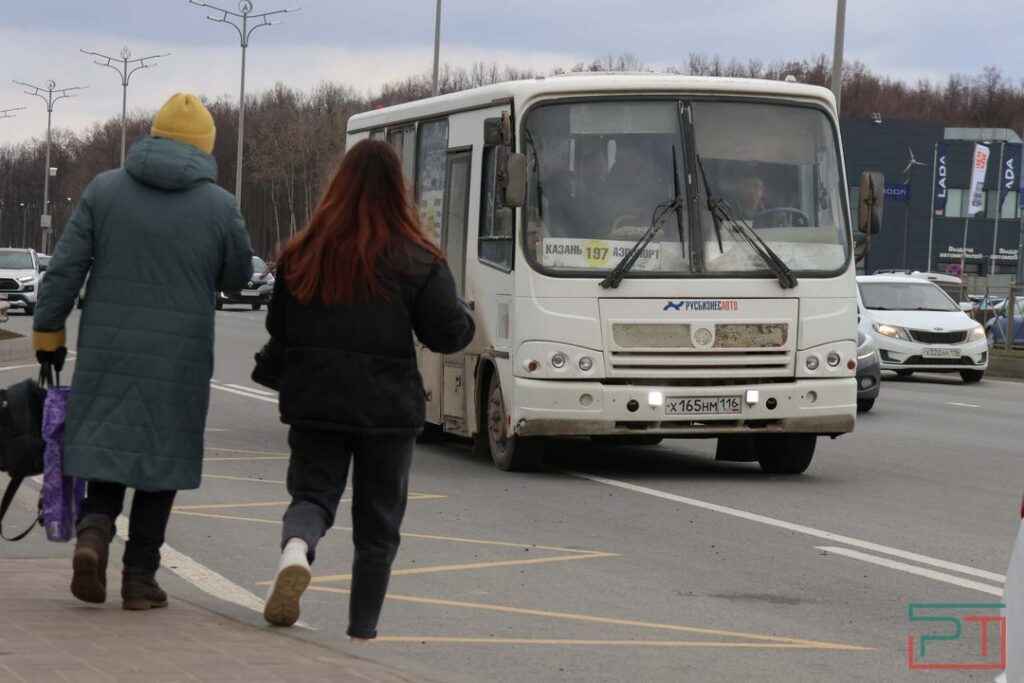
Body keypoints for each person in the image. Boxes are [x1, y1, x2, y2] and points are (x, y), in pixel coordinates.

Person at [33, 93, 254, 609]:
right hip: (180, 362)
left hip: (109, 353)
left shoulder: (105, 190)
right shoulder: (219, 205)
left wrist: (48, 337)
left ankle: (93, 532)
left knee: (109, 450)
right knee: (162, 463)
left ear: (152, 135)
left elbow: (64, 269)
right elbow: (240, 277)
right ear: (205, 148)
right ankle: (140, 578)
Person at [261, 140, 475, 641]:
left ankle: (296, 549)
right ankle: (361, 636)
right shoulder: (417, 258)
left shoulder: (302, 253)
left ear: (338, 187)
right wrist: (463, 313)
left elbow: (280, 327)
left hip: (315, 402)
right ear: (398, 193)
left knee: (312, 495)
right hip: (387, 410)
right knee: (377, 528)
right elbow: (447, 333)